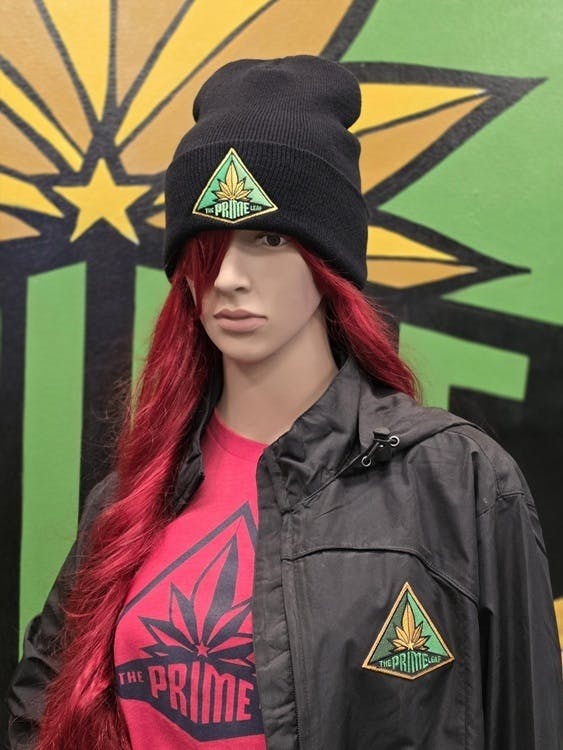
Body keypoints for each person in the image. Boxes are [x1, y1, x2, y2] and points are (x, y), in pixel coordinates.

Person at [7, 55, 561, 750]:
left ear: (328, 262)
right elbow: (44, 705)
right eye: (207, 246)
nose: (230, 277)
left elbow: (526, 721)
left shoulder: (458, 482)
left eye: (267, 238)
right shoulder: (129, 502)